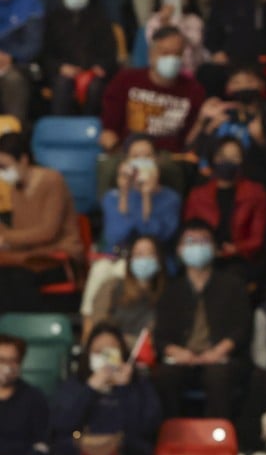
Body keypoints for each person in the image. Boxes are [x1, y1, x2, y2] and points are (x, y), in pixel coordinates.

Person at [152, 219, 251, 419]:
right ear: (179, 250)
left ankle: (217, 437)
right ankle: (171, 436)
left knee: (218, 377)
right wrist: (178, 352)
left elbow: (242, 327)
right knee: (164, 376)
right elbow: (160, 335)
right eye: (190, 241)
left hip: (221, 358)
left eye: (203, 241)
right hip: (182, 358)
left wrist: (218, 351)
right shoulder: (171, 290)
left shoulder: (232, 285)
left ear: (214, 248)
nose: (197, 247)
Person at [46, 324, 161, 455]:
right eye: (98, 351)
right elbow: (61, 424)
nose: (104, 357)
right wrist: (90, 389)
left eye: (111, 351)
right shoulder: (75, 384)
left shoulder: (139, 385)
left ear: (122, 353)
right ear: (88, 354)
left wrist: (124, 389)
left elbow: (144, 428)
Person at [0, 132, 83, 314]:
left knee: (16, 279)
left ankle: (28, 331)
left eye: (4, 166)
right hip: (31, 258)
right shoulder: (15, 189)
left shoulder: (52, 180)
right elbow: (22, 235)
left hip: (59, 257)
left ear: (23, 159)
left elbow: (48, 232)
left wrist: (5, 236)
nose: (2, 173)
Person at [100, 25, 206, 153]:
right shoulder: (125, 80)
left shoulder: (194, 90)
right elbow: (108, 132)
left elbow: (189, 142)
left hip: (169, 160)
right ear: (151, 54)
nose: (172, 59)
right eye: (165, 53)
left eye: (177, 54)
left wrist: (202, 119)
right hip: (129, 155)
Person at [186, 64, 266, 193]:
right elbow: (191, 151)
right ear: (228, 87)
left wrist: (261, 140)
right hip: (214, 181)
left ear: (261, 84)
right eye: (237, 82)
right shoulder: (220, 113)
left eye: (249, 81)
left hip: (255, 184)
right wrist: (206, 129)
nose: (243, 86)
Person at [183, 136, 266, 278]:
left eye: (234, 157)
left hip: (240, 258)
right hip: (205, 254)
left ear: (242, 160)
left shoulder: (256, 192)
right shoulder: (197, 195)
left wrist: (236, 249)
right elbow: (189, 231)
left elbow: (258, 238)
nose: (228, 161)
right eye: (222, 156)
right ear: (213, 158)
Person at [41, 0, 118, 115]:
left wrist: (100, 67)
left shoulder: (101, 20)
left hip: (92, 74)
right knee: (63, 83)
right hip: (61, 73)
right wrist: (60, 67)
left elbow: (110, 54)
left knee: (96, 86)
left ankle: (89, 129)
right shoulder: (51, 20)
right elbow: (43, 54)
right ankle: (60, 130)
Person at [89, 236, 166, 346]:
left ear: (159, 259)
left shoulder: (167, 294)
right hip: (113, 351)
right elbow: (99, 327)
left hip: (150, 352)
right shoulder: (111, 287)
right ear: (130, 259)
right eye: (138, 254)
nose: (144, 260)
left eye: (149, 254)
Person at [100, 154, 180, 253]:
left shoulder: (170, 198)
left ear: (156, 173)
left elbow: (157, 236)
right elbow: (115, 236)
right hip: (118, 255)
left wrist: (146, 197)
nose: (137, 176)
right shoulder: (112, 197)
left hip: (157, 255)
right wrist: (124, 193)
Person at [0, 0, 43, 124]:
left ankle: (12, 143)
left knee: (14, 80)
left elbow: (33, 45)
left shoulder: (31, 3)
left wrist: (11, 58)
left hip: (15, 66)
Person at [0, 334, 49, 455]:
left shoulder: (34, 397)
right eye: (1, 360)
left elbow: (43, 442)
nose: (7, 366)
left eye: (13, 360)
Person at [143, 0, 206, 75]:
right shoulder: (154, 21)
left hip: (191, 72)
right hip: (160, 72)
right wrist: (164, 23)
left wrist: (176, 21)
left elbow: (194, 43)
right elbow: (152, 44)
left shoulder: (194, 20)